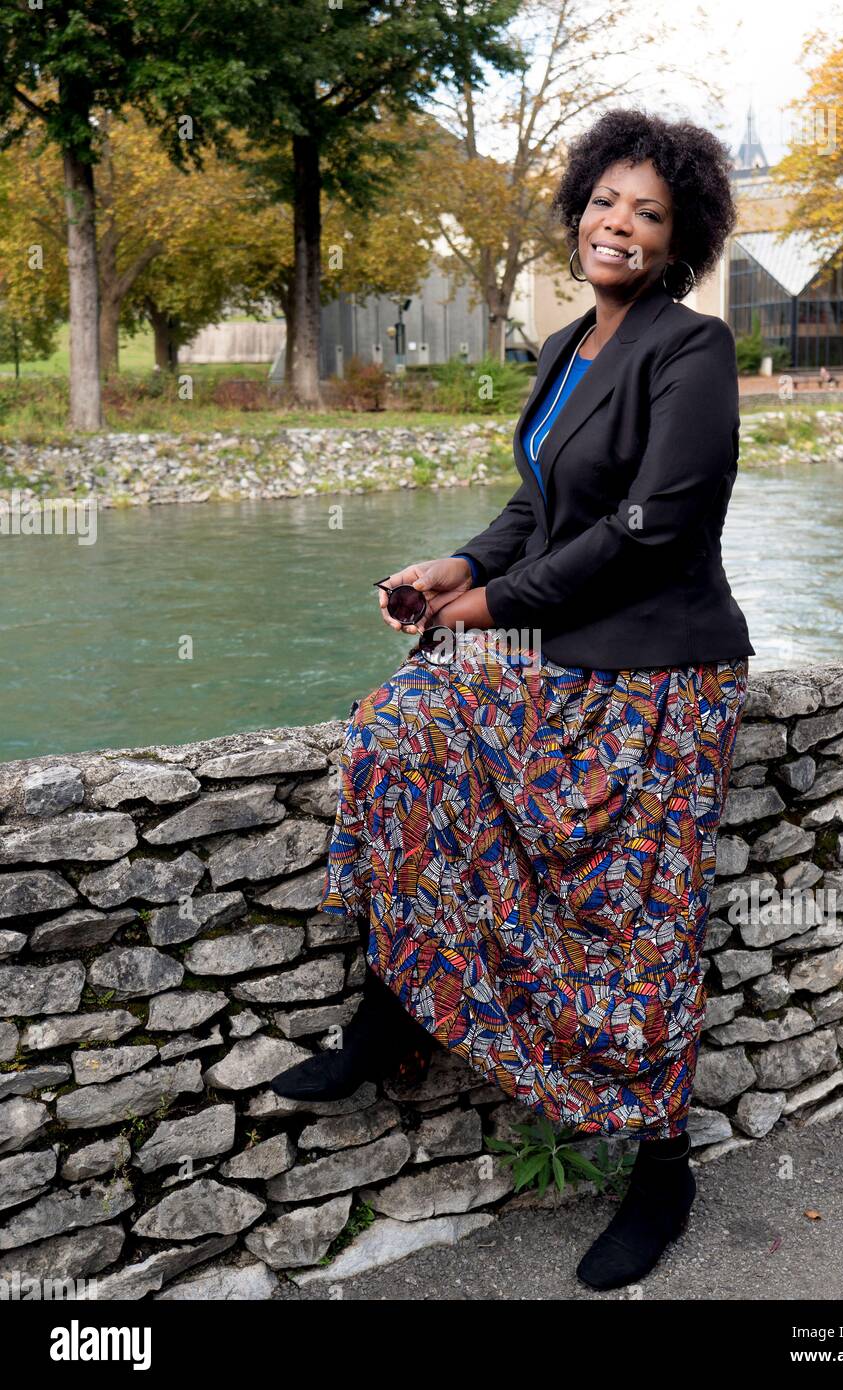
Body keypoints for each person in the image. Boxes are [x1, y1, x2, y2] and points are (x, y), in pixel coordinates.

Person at [272, 106, 755, 1293]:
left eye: (648, 211)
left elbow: (653, 525)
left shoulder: (692, 351)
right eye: (605, 200)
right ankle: (396, 1003)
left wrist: (501, 608)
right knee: (400, 726)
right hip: (562, 645)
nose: (619, 223)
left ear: (679, 233)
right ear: (578, 206)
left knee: (637, 920)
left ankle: (662, 1167)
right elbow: (537, 510)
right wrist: (458, 570)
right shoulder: (562, 348)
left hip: (661, 673)